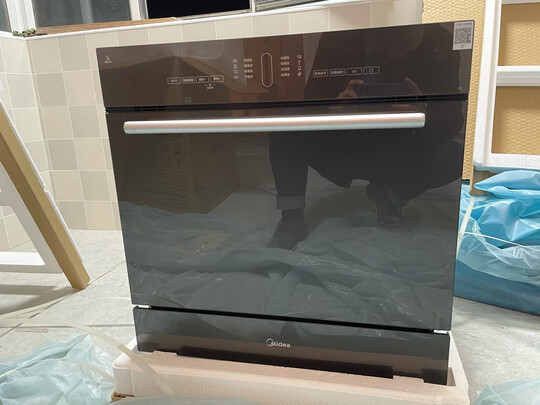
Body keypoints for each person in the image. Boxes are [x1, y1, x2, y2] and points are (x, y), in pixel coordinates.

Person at [268, 24, 466, 249]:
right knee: (286, 121)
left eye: (404, 44)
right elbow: (311, 101)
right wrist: (334, 108)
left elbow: (453, 121)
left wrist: (425, 113)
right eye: (381, 45)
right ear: (370, 31)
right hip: (347, 142)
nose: (392, 54)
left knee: (458, 156)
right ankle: (291, 217)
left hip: (404, 145)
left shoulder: (440, 43)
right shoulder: (340, 37)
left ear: (420, 30)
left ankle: (389, 195)